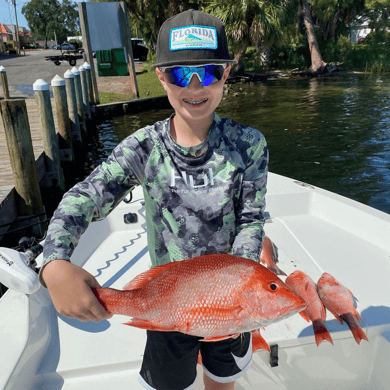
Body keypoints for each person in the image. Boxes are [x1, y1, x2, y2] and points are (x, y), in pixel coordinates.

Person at [41, 9, 268, 390]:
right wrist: (54, 263)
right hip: (168, 300)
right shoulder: (143, 147)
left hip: (231, 300)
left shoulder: (250, 145)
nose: (195, 86)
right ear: (162, 76)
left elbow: (251, 219)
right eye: (181, 73)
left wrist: (240, 284)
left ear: (226, 74)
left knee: (222, 377)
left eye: (209, 71)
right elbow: (84, 197)